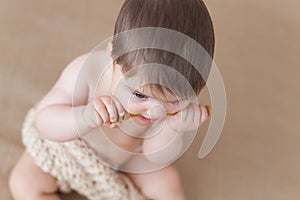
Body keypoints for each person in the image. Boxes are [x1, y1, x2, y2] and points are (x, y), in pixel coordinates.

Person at [9, 0, 215, 199]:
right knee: (24, 182)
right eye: (140, 95)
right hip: (72, 147)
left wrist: (173, 128)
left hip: (128, 155)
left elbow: (155, 156)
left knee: (167, 181)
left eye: (174, 102)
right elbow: (44, 122)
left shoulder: (169, 103)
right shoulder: (86, 72)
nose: (154, 111)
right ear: (114, 57)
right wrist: (86, 116)